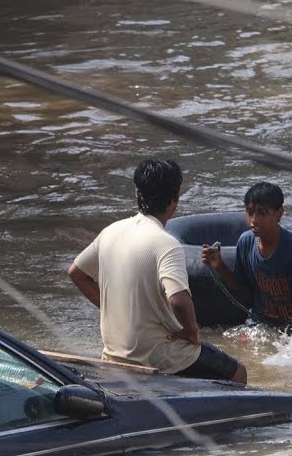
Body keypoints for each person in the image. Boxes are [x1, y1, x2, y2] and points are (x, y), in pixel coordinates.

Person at [68, 158, 248, 384]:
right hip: (159, 356)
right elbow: (179, 301)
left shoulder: (110, 232)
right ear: (174, 200)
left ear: (137, 194)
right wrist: (192, 333)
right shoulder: (166, 244)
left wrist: (109, 308)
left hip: (114, 353)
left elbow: (76, 273)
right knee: (239, 373)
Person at [199, 182, 292, 347]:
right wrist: (220, 265)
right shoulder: (246, 242)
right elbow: (239, 286)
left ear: (279, 214)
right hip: (260, 321)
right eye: (250, 212)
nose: (254, 220)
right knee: (232, 345)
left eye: (262, 213)